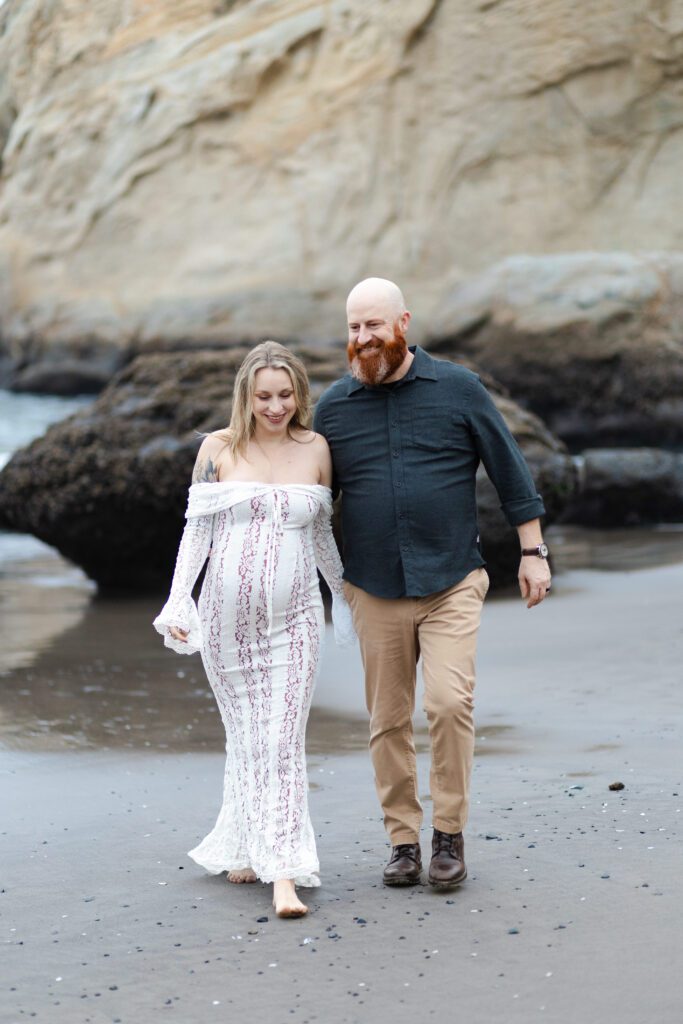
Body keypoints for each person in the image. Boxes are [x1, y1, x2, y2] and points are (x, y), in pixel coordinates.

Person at [313, 278, 551, 890]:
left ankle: (448, 833)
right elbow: (307, 499)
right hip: (373, 588)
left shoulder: (459, 389)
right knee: (387, 720)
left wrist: (533, 551)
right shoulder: (334, 408)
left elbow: (510, 469)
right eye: (353, 328)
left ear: (404, 323)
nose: (362, 339)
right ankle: (401, 842)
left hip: (450, 579)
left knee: (448, 703)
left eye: (373, 326)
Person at [154, 341, 355, 918]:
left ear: (300, 395)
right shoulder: (217, 449)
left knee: (281, 739)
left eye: (285, 395)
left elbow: (320, 536)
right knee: (246, 737)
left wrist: (342, 597)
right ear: (246, 395)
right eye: (264, 396)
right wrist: (178, 602)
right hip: (224, 621)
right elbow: (197, 534)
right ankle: (244, 845)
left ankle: (285, 872)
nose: (275, 407)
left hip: (294, 622)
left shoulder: (317, 449)